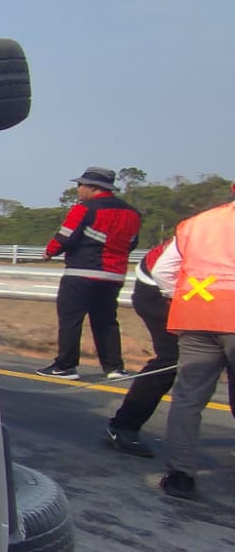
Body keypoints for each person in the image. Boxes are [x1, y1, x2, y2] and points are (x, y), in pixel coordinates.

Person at [151, 185, 235, 500]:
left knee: (188, 399)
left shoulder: (197, 223)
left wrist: (187, 298)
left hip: (196, 314)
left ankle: (180, 475)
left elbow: (163, 272)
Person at [36, 166, 141, 380]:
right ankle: (114, 368)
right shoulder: (133, 213)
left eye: (80, 185)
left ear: (93, 188)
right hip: (113, 275)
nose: (78, 189)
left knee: (71, 319)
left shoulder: (84, 208)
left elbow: (66, 235)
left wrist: (49, 253)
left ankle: (65, 366)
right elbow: (131, 243)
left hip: (81, 273)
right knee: (106, 321)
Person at [105, 240, 175, 457]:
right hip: (159, 289)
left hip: (208, 294)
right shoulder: (210, 227)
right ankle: (124, 426)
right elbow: (163, 270)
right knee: (173, 358)